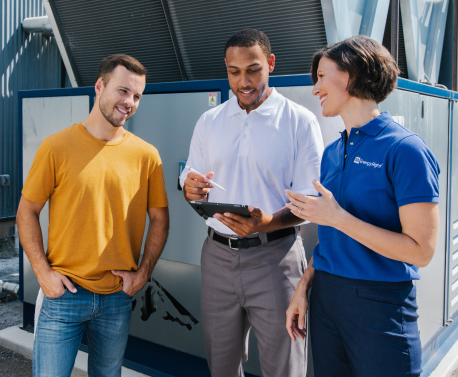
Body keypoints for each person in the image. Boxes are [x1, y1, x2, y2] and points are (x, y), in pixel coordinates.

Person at [285, 36, 440, 377]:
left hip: (379, 306)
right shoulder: (331, 153)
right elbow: (329, 240)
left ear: (352, 74)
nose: (315, 88)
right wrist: (304, 285)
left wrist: (339, 218)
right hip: (326, 299)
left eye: (322, 76)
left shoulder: (405, 150)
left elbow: (421, 252)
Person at [180, 29, 324, 377]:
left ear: (270, 64)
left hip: (276, 260)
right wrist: (190, 188)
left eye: (253, 69)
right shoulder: (209, 121)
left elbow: (312, 201)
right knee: (222, 366)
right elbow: (191, 176)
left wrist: (267, 222)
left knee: (284, 366)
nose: (243, 81)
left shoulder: (299, 122)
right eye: (234, 71)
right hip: (216, 258)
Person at [16, 54, 170, 377]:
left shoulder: (147, 156)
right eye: (123, 91)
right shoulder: (56, 147)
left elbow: (160, 217)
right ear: (99, 86)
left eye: (137, 96)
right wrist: (43, 273)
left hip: (116, 299)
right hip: (63, 294)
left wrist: (142, 274)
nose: (130, 102)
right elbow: (26, 212)